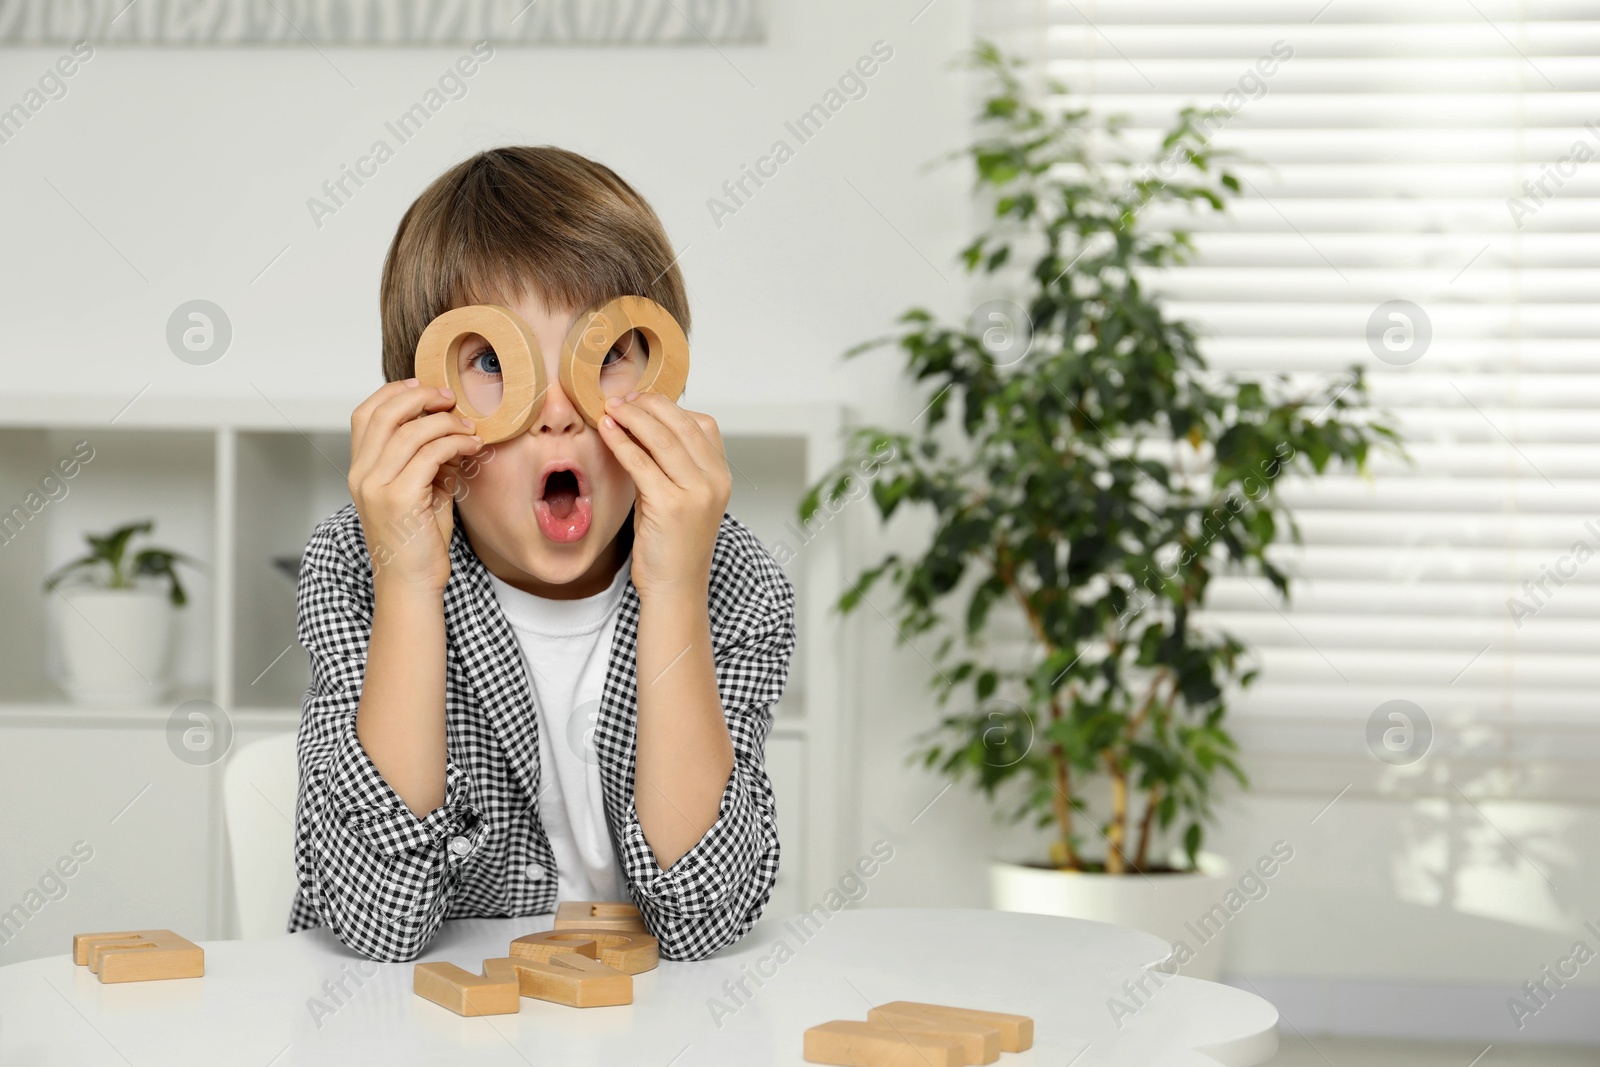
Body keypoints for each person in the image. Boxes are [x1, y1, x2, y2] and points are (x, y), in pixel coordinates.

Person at [286, 145, 794, 963]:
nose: (559, 414)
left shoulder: (729, 574)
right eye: (495, 362)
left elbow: (708, 919)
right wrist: (409, 582)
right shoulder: (357, 563)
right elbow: (376, 925)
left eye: (604, 358)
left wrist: (672, 589)